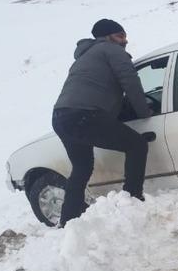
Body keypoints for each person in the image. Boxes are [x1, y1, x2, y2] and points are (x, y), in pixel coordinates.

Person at [51, 19, 151, 226]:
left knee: (81, 167)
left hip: (61, 117)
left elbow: (95, 89)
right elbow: (130, 81)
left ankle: (68, 222)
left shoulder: (84, 58)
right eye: (121, 35)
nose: (125, 40)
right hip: (84, 115)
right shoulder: (111, 50)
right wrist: (144, 112)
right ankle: (132, 199)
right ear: (108, 37)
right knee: (137, 144)